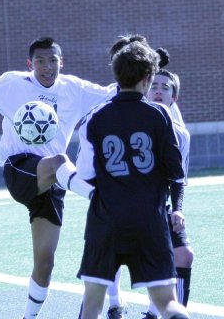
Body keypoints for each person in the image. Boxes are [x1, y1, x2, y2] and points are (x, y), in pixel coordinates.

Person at [0, 21, 116, 319]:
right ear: (30, 64)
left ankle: (29, 317)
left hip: (55, 184)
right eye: (40, 61)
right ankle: (99, 197)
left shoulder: (75, 89)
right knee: (58, 162)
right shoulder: (13, 84)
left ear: (61, 62)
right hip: (19, 170)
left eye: (52, 60)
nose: (47, 66)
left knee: (45, 262)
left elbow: (115, 93)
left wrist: (142, 65)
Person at [74, 41, 190, 319]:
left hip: (106, 220)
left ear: (116, 75)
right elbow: (176, 172)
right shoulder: (161, 115)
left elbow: (85, 175)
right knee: (167, 303)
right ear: (148, 78)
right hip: (150, 219)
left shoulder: (95, 118)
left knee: (92, 303)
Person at [140, 69, 193, 319]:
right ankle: (114, 304)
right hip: (128, 206)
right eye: (154, 86)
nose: (159, 90)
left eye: (166, 87)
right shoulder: (130, 124)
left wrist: (178, 208)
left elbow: (178, 178)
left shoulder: (180, 134)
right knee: (111, 263)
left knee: (183, 256)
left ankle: (166, 314)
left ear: (174, 98)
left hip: (162, 206)